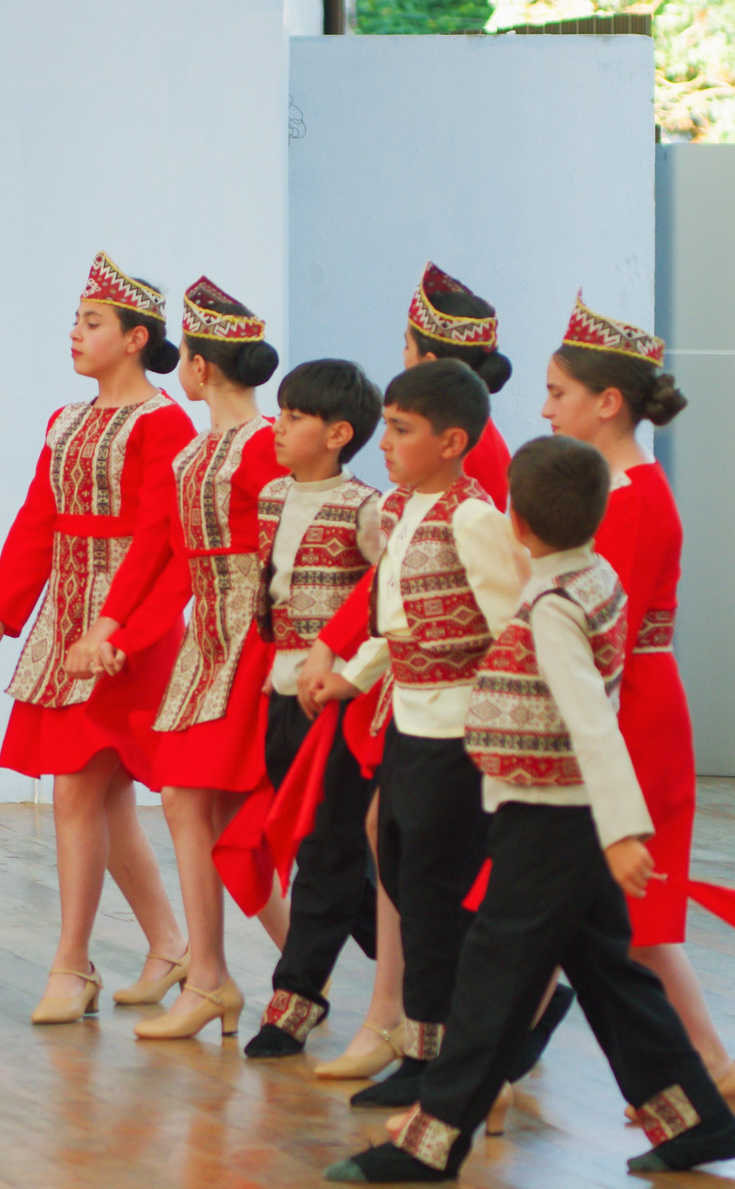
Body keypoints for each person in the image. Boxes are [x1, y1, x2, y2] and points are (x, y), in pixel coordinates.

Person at [326, 435, 735, 1183]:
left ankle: (434, 1139)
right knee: (611, 979)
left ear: (517, 523)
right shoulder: (594, 576)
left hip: (551, 816)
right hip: (563, 814)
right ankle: (700, 1122)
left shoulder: (554, 606)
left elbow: (590, 723)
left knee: (494, 978)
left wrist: (622, 832)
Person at [298, 262, 520, 1081]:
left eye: (396, 428)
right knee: (398, 868)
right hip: (408, 714)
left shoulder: (473, 504)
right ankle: (428, 1042)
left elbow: (510, 628)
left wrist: (506, 735)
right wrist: (351, 670)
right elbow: (396, 613)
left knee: (435, 890)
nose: (382, 443)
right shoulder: (397, 506)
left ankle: (446, 1055)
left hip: (459, 725)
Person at [0, 252, 192, 1025]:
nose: (75, 334)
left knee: (78, 787)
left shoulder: (165, 422)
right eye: (76, 321)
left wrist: (114, 622)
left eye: (92, 323)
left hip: (126, 627)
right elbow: (37, 521)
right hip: (66, 619)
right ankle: (168, 945)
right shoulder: (66, 420)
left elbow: (158, 534)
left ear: (135, 338)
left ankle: (72, 963)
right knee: (103, 794)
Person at [68, 278, 288, 1040]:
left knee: (222, 809)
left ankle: (273, 972)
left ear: (199, 366)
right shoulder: (195, 452)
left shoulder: (266, 445)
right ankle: (220, 976)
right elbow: (156, 547)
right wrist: (110, 627)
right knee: (188, 802)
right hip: (206, 644)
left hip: (257, 640)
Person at [544, 293, 735, 1113]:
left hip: (628, 709)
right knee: (589, 909)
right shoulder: (624, 489)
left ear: (607, 402)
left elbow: (602, 636)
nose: (547, 408)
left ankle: (707, 1062)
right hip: (628, 700)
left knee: (620, 911)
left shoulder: (628, 498)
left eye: (558, 392)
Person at [234, 359, 386, 1058]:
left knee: (327, 849)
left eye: (295, 417)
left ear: (338, 434)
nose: (279, 426)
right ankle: (468, 977)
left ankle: (294, 999)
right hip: (281, 694)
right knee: (332, 854)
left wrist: (350, 675)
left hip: (337, 702)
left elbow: (385, 600)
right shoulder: (271, 497)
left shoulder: (365, 508)